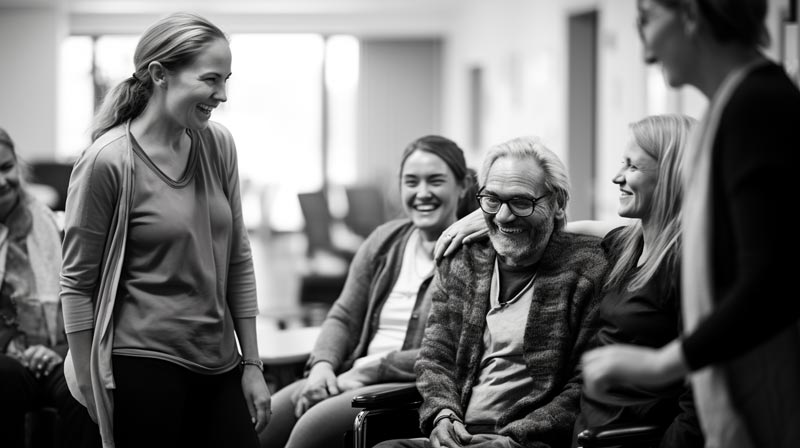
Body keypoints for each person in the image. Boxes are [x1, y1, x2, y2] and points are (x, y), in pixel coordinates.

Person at [581, 1, 800, 447]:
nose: (645, 47)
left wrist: (660, 364)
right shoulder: (738, 104)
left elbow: (775, 281)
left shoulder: (757, 105)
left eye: (646, 21)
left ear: (691, 16)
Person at [59, 12, 270, 448]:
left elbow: (238, 259)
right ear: (159, 74)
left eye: (226, 79)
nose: (222, 94)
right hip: (142, 364)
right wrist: (90, 383)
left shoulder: (217, 144)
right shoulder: (108, 161)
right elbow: (77, 285)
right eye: (211, 79)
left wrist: (252, 363)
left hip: (220, 362)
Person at [376, 136, 610, 448]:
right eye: (492, 200)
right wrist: (442, 414)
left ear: (557, 204)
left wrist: (515, 439)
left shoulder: (587, 267)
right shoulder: (466, 258)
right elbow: (436, 356)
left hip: (527, 441)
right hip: (457, 435)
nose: (502, 216)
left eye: (522, 202)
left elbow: (584, 382)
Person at [258, 135, 477, 448]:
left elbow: (455, 350)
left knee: (308, 433)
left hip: (413, 387)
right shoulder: (385, 240)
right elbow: (344, 315)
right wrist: (321, 367)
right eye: (411, 181)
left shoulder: (472, 254)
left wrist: (374, 369)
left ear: (463, 186)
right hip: (352, 375)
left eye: (436, 181)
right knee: (261, 422)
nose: (422, 193)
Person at [566, 114, 703, 447]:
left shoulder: (686, 263)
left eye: (632, 167)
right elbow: (578, 228)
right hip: (589, 433)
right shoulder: (631, 245)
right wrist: (484, 220)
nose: (617, 177)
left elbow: (698, 397)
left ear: (672, 175)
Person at [0, 127, 100, 448]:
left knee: (86, 389)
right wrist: (13, 347)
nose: (2, 181)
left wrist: (56, 351)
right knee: (4, 376)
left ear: (18, 165)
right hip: (6, 358)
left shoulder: (50, 222)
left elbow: (83, 294)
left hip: (58, 350)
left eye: (6, 168)